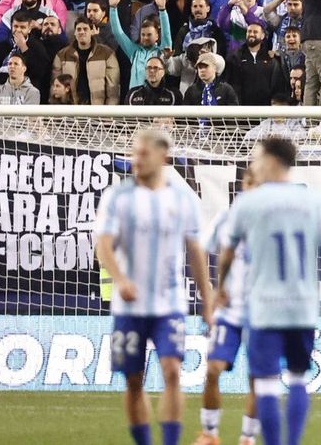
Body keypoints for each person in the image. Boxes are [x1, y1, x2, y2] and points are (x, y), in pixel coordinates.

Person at [217, 136, 321, 445]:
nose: (253, 165)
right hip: (302, 306)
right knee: (299, 378)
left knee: (266, 385)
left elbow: (228, 252)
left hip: (263, 306)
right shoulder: (313, 201)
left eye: (257, 159)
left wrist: (221, 287)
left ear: (272, 161)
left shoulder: (248, 202)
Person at [95, 125, 215, 445]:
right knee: (134, 380)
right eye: (134, 153)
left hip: (169, 303)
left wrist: (208, 298)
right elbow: (103, 245)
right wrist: (120, 279)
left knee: (173, 371)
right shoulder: (117, 196)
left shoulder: (182, 199)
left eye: (143, 154)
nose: (137, 159)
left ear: (163, 156)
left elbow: (195, 251)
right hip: (129, 305)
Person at [199, 168, 262, 445]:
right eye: (249, 182)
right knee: (213, 369)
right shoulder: (226, 218)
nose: (252, 188)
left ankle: (247, 438)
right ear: (243, 185)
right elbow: (201, 248)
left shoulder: (275, 222)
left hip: (262, 313)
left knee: (257, 379)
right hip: (230, 312)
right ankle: (210, 434)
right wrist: (212, 290)